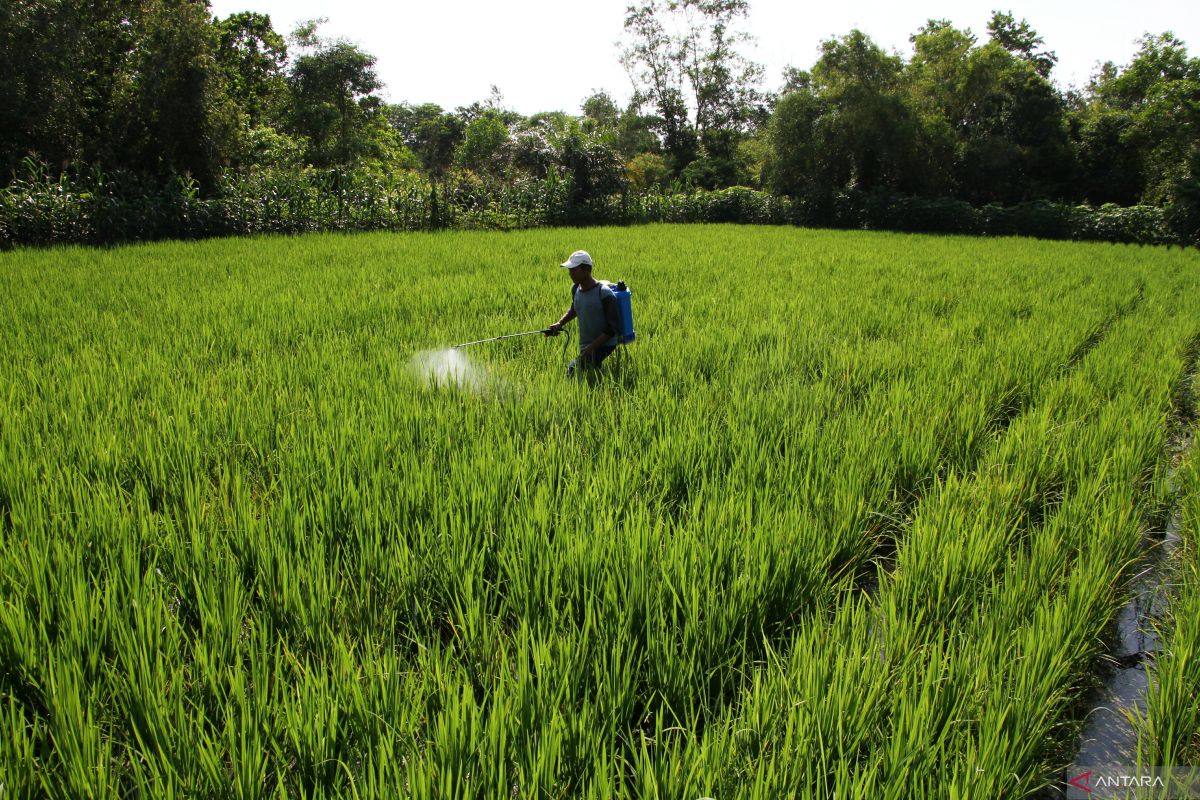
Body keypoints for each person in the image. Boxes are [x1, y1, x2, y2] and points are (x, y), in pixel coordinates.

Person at [544, 250, 620, 377]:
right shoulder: (576, 289)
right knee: (592, 373)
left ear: (586, 269)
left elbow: (612, 329)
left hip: (604, 343)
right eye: (569, 270)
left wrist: (592, 348)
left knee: (573, 370)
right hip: (587, 344)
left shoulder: (604, 293)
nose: (570, 273)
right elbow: (575, 308)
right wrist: (559, 323)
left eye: (574, 269)